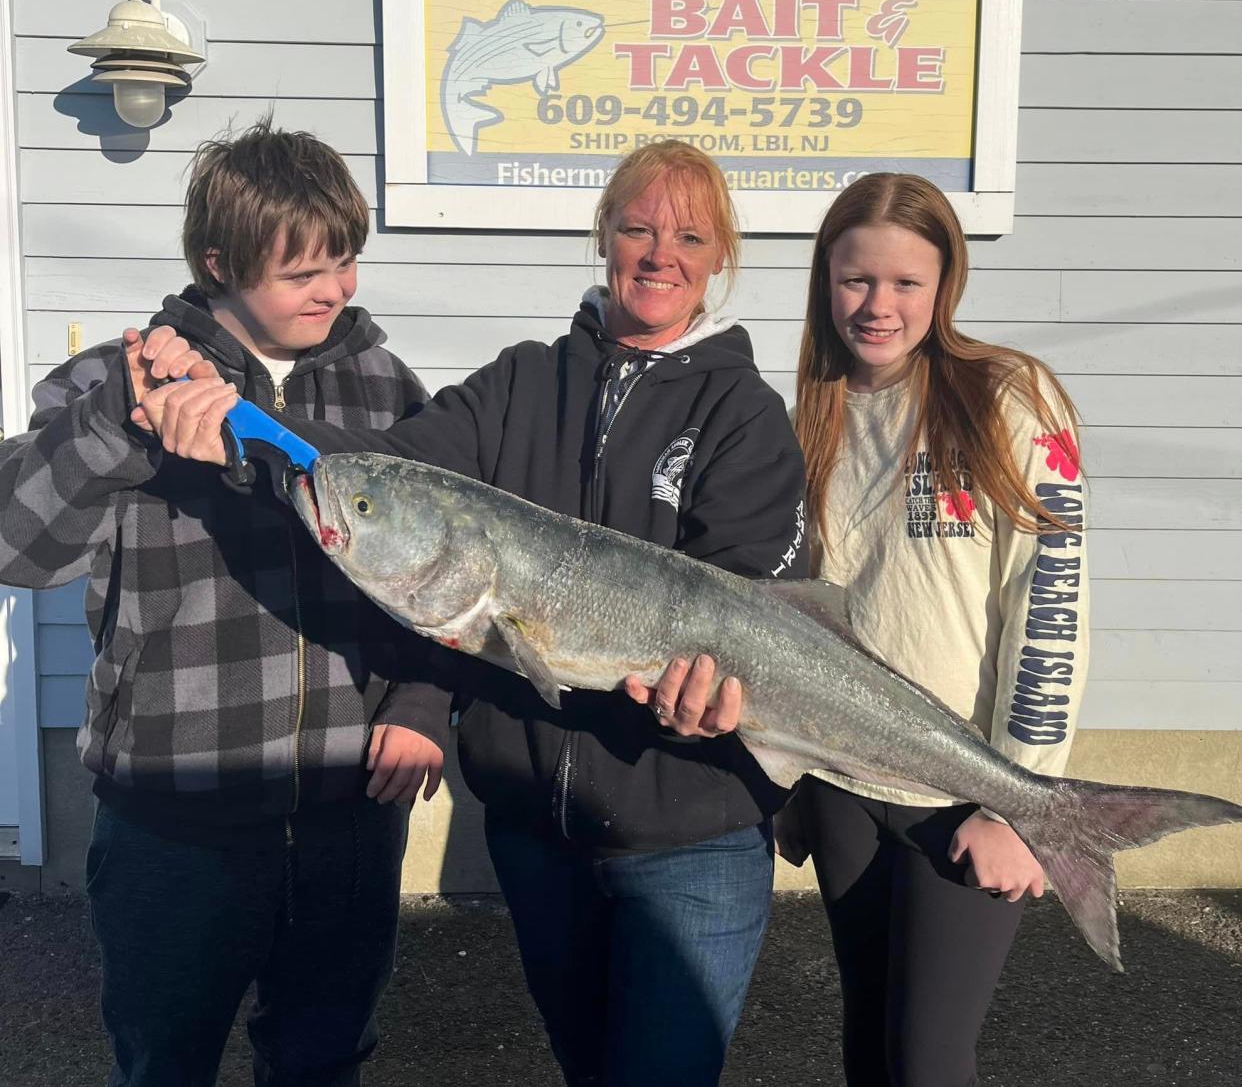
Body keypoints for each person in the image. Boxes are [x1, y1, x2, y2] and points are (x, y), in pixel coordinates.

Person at [136, 140, 810, 1087]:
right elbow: (380, 467)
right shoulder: (518, 383)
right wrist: (235, 411)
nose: (660, 255)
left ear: (719, 257)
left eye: (690, 237)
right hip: (538, 832)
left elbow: (761, 601)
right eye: (637, 228)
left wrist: (725, 696)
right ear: (603, 236)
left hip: (687, 826)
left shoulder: (743, 412)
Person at [0, 120, 451, 1087]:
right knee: (167, 1063)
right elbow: (19, 547)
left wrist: (421, 703)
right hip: (175, 818)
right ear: (219, 263)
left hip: (348, 810)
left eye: (347, 261)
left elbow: (445, 577)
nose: (337, 290)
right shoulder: (111, 382)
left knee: (323, 1059)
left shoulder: (387, 390)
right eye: (304, 274)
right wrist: (123, 427)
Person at [779, 173, 1091, 1087]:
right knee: (870, 1045)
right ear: (824, 281)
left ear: (945, 284)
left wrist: (1020, 803)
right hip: (841, 781)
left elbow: (1053, 603)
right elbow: (799, 616)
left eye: (905, 283)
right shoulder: (812, 414)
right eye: (855, 279)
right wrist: (791, 768)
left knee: (928, 1059)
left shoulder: (1012, 397)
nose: (877, 306)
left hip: (968, 790)